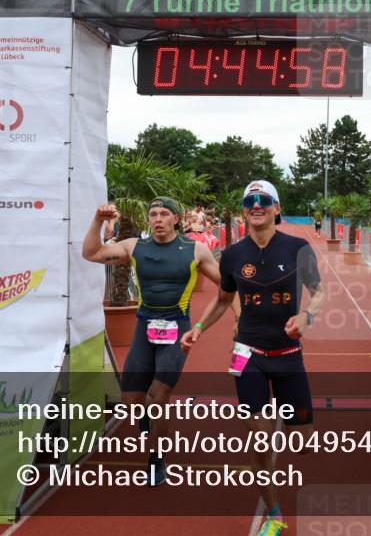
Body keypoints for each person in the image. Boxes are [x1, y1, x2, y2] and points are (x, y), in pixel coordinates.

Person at [181, 180, 325, 536]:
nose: (256, 205)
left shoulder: (297, 247)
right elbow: (223, 298)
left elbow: (319, 293)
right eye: (249, 200)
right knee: (259, 439)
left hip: (289, 356)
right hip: (249, 356)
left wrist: (307, 316)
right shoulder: (232, 254)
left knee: (303, 444)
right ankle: (274, 515)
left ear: (276, 207)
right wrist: (199, 326)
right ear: (244, 209)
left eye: (263, 200)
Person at [81, 196, 221, 485]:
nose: (157, 219)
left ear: (176, 219)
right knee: (132, 401)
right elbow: (91, 253)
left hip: (177, 329)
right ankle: (149, 423)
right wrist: (98, 220)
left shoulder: (195, 250)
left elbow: (228, 287)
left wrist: (231, 319)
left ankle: (157, 458)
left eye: (163, 214)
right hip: (145, 328)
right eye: (153, 214)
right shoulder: (135, 247)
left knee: (158, 396)